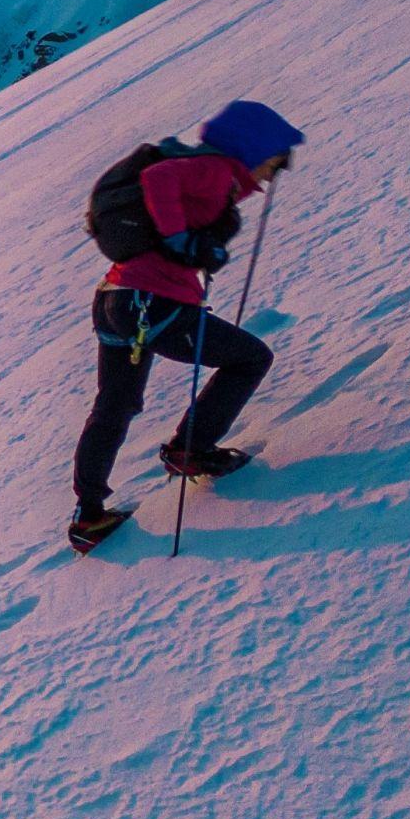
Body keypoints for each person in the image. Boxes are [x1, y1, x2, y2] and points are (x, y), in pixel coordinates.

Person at [69, 99, 304, 549]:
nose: (273, 175)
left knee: (114, 407)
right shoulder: (215, 169)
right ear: (254, 149)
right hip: (153, 303)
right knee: (251, 358)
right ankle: (190, 450)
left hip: (117, 300)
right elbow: (158, 179)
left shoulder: (214, 178)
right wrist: (181, 240)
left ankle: (88, 515)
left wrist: (196, 245)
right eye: (274, 162)